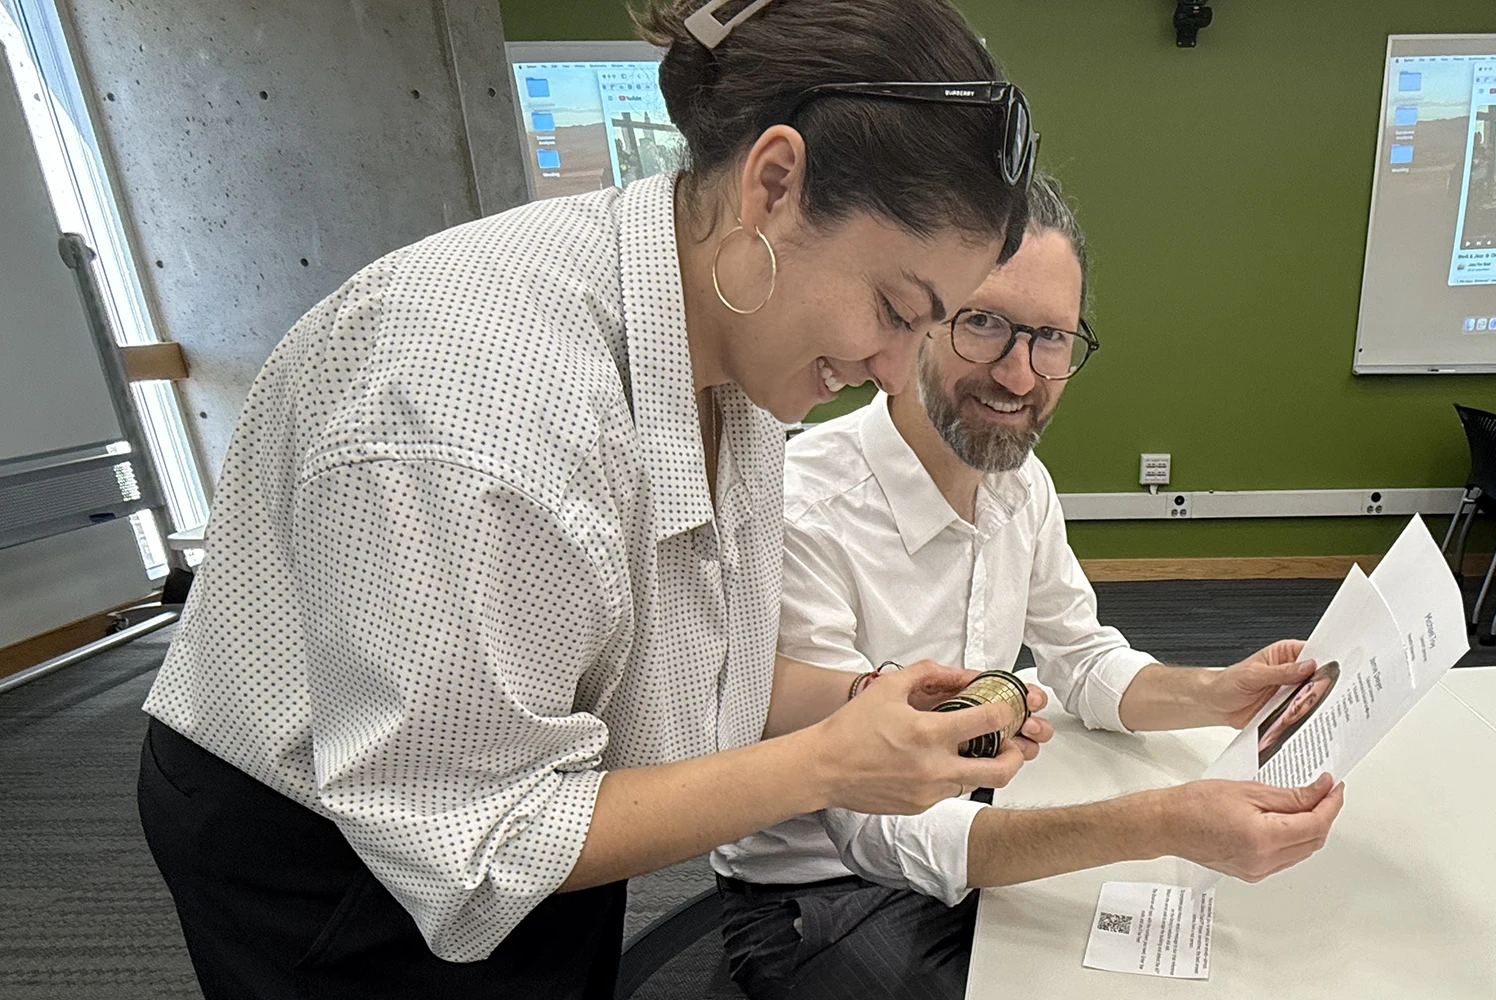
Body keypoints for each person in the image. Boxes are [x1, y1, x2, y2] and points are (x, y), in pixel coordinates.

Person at [132, 2, 1061, 996]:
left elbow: (675, 656)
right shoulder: (476, 409)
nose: (890, 370)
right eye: (892, 309)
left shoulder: (728, 334)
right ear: (775, 183)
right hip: (331, 850)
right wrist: (830, 764)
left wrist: (865, 700)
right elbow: (472, 849)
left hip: (530, 794)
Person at [711, 175, 1345, 1000]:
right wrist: (1156, 823)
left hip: (970, 830)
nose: (1020, 375)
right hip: (821, 893)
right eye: (984, 324)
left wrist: (1216, 693)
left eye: (1052, 338)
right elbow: (876, 827)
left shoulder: (1019, 482)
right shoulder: (804, 512)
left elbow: (1079, 657)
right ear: (913, 323)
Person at [1257, 662, 1340, 764]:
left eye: (1310, 701)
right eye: (1308, 688)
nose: (1301, 702)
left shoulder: (1287, 751)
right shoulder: (1262, 714)